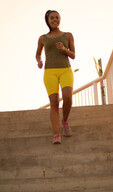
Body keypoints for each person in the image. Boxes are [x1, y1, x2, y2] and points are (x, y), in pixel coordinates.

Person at [35, 10, 76, 144]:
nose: (54, 20)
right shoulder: (42, 38)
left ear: (60, 20)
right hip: (49, 72)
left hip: (65, 70)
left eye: (57, 18)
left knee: (68, 97)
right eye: (52, 18)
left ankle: (64, 120)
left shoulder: (68, 35)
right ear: (48, 20)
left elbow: (73, 55)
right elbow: (37, 54)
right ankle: (56, 133)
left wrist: (64, 49)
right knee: (54, 103)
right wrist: (39, 61)